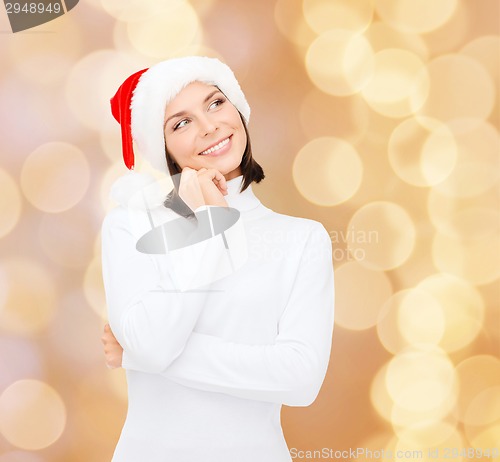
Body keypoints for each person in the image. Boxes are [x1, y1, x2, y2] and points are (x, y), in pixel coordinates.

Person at [101, 56, 335, 462]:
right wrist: (208, 227)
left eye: (215, 104)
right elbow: (154, 348)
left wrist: (135, 352)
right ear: (164, 149)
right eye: (181, 122)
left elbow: (300, 380)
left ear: (238, 111)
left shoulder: (301, 239)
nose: (209, 126)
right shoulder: (130, 225)